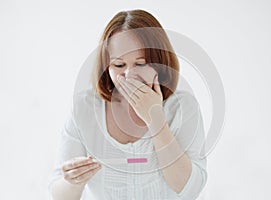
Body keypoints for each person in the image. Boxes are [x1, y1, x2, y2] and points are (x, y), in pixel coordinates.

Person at [48, 9, 207, 200]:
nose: (129, 76)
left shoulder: (182, 107)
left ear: (160, 64)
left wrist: (155, 119)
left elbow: (190, 189)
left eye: (140, 64)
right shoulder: (85, 108)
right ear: (106, 67)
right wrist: (74, 180)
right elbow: (59, 195)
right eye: (119, 65)